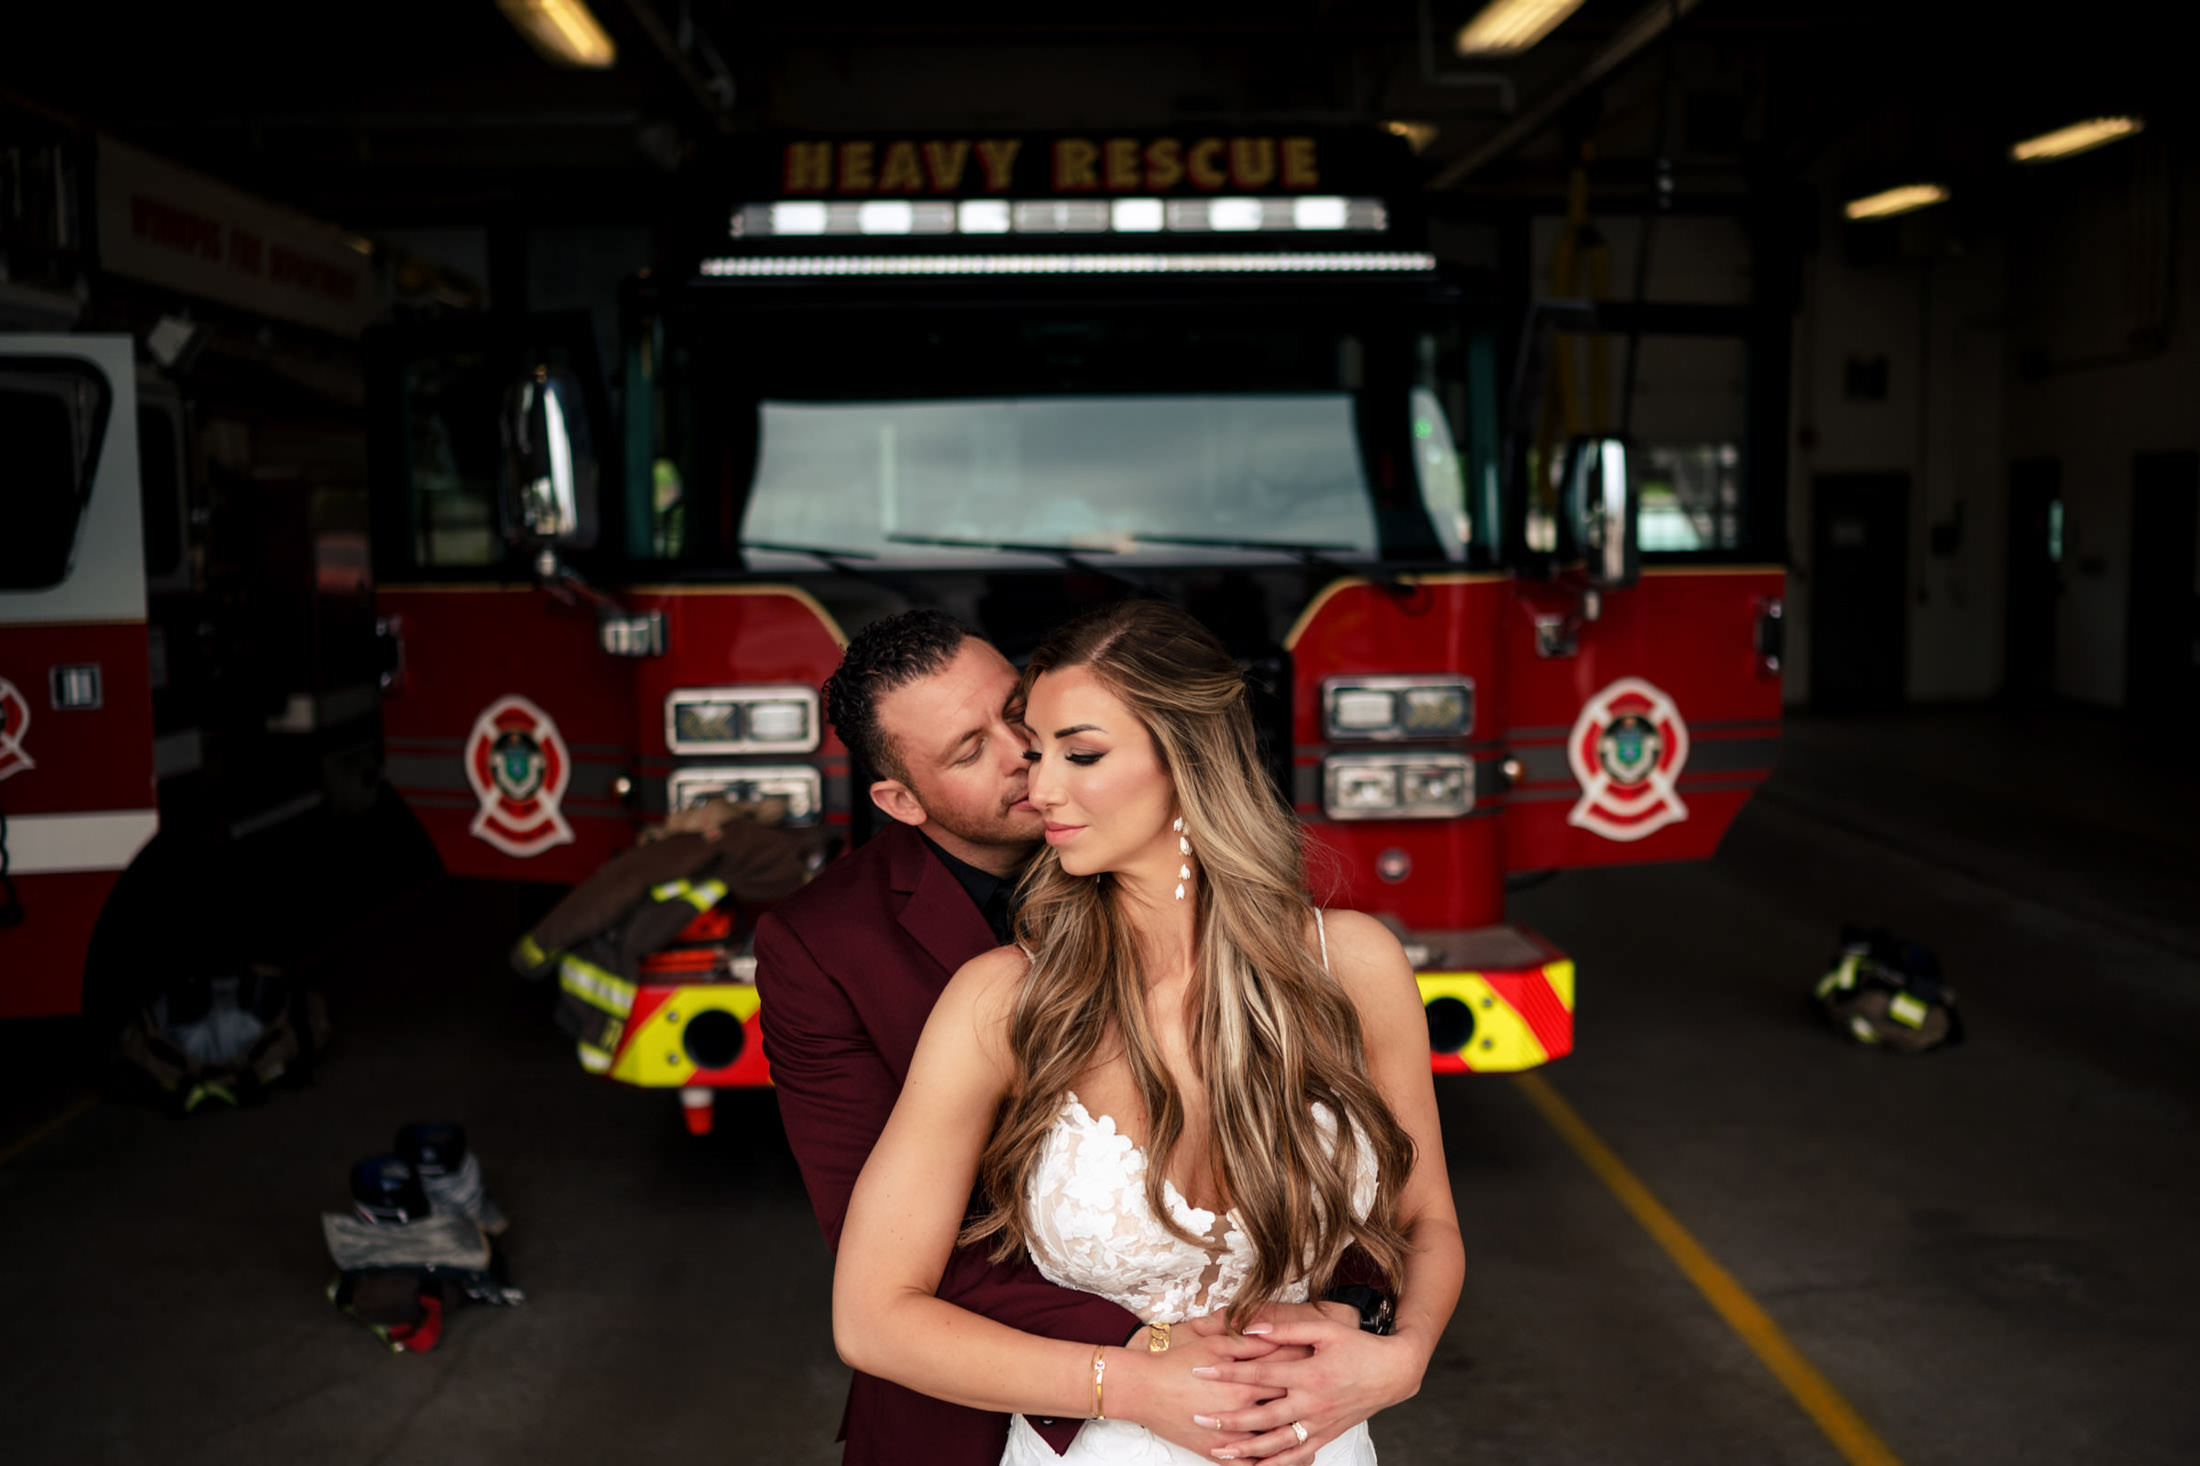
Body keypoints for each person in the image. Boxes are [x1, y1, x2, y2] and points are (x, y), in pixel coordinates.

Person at [757, 608, 1431, 1466]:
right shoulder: (858, 955)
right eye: (973, 752)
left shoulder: (1329, 954)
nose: (1027, 767)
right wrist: (1148, 1367)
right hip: (1019, 1412)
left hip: (1298, 1416)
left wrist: (1371, 1324)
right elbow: (889, 1271)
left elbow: (1404, 1207)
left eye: (1024, 720)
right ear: (899, 800)